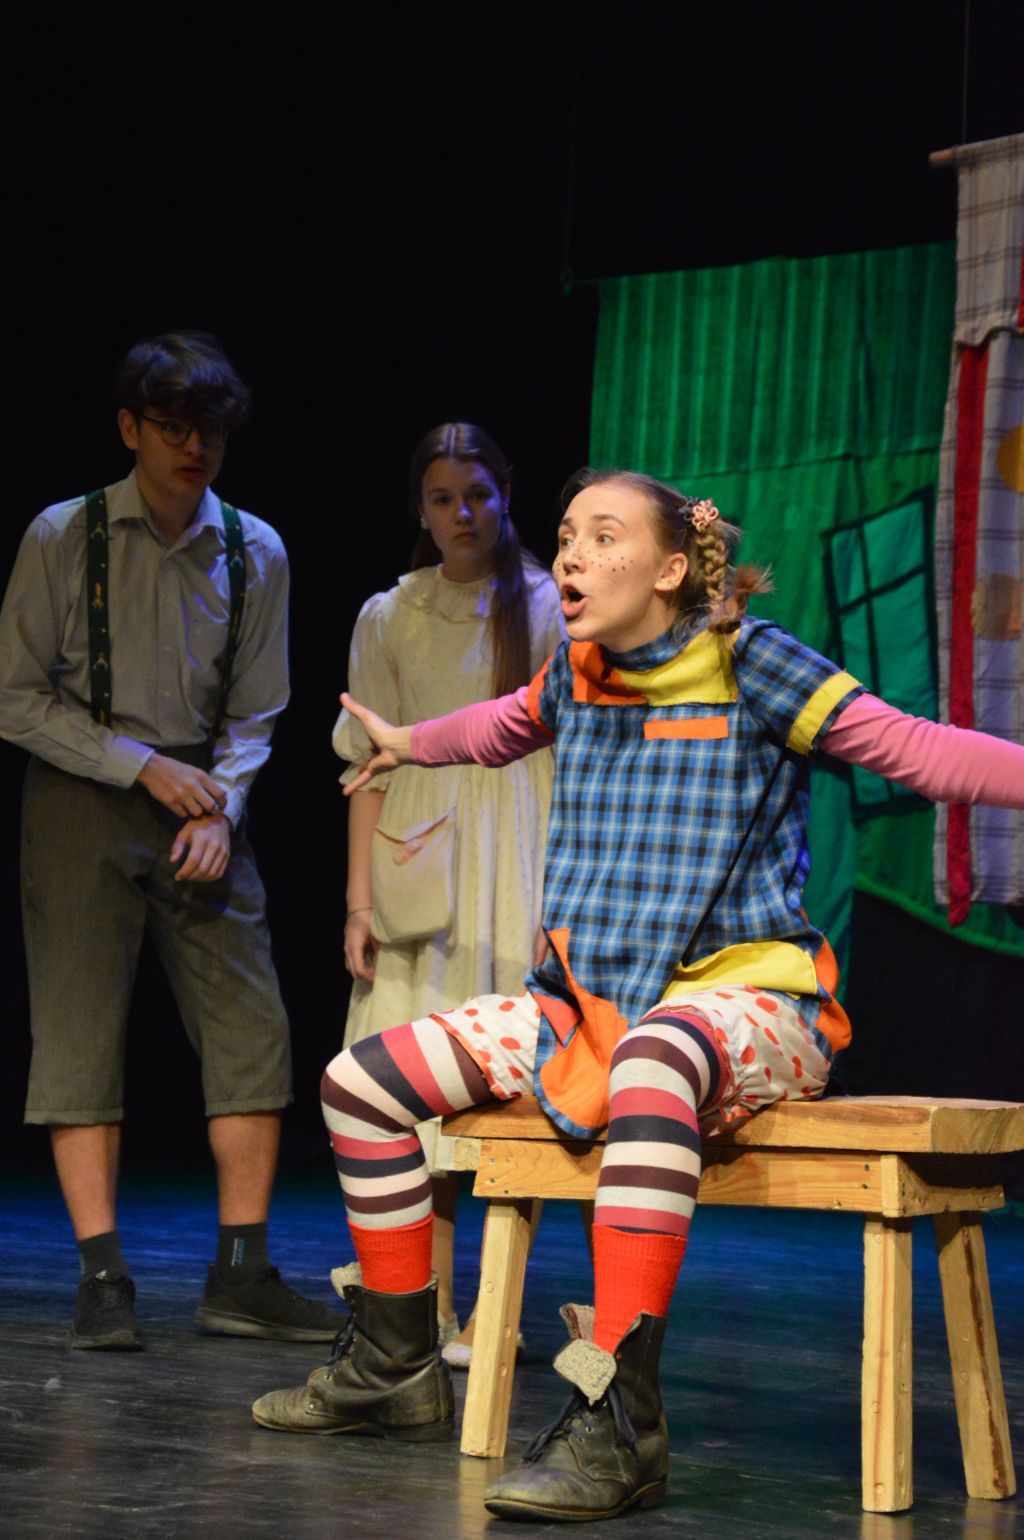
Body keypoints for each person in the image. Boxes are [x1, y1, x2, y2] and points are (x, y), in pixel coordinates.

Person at [252, 466, 1024, 1522]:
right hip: (588, 1001)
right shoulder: (574, 674)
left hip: (748, 998)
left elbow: (918, 752)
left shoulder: (752, 662)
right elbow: (493, 728)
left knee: (655, 1057)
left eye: (603, 536)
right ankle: (393, 1367)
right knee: (362, 1082)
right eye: (567, 534)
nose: (571, 554)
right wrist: (405, 744)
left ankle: (619, 1421)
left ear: (669, 569)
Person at [0, 331, 343, 1351]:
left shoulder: (255, 548)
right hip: (83, 792)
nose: (195, 447)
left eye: (211, 432)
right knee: (79, 1030)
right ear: (130, 428)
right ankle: (102, 1275)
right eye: (173, 428)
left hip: (204, 800)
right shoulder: (64, 535)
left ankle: (242, 1272)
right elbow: (16, 698)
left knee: (252, 1028)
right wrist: (141, 767)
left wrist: (220, 807)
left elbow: (258, 709)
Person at [332, 422, 564, 1357]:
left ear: (505, 496)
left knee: (516, 1092)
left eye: (477, 494)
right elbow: (364, 768)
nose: (462, 513)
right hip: (418, 853)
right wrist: (358, 902)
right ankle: (416, 1306)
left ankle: (491, 1312)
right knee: (403, 1085)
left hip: (520, 850)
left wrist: (567, 900)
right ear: (420, 511)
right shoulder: (388, 615)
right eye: (442, 498)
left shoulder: (548, 605)